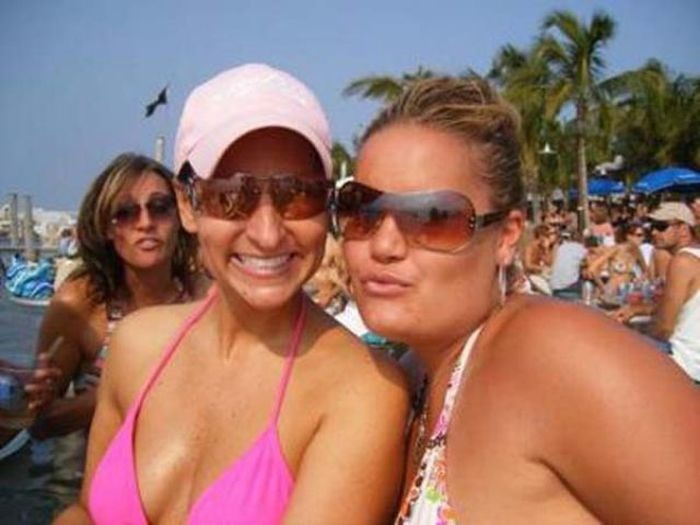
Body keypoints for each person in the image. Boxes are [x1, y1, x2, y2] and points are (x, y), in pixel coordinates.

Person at [337, 75, 700, 523]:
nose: (384, 245)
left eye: (432, 216)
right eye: (362, 210)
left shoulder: (556, 356)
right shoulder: (408, 378)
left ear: (507, 237)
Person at [56, 63, 407, 524]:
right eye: (231, 195)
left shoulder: (361, 392)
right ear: (188, 204)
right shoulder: (136, 345)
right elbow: (85, 511)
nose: (267, 233)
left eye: (298, 194)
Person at [31, 153, 203, 443]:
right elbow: (40, 423)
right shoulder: (79, 305)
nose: (145, 223)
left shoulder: (206, 297)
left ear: (180, 216)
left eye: (160, 208)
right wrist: (124, 388)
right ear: (107, 227)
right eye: (125, 212)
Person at [614, 202, 700, 383]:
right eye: (652, 227)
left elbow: (664, 328)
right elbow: (684, 304)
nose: (653, 232)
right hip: (693, 359)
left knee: (612, 346)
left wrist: (641, 335)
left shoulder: (683, 261)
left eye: (661, 226)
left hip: (684, 360)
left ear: (684, 229)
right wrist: (639, 309)